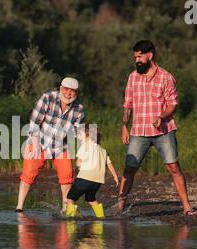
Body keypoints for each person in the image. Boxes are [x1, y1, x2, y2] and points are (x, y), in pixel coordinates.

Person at [108, 40, 197, 217]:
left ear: (150, 55)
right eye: (135, 57)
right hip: (138, 131)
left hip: (163, 131)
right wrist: (124, 126)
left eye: (140, 56)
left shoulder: (166, 77)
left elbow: (173, 104)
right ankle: (119, 206)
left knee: (173, 167)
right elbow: (128, 105)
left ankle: (187, 207)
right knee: (129, 169)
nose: (137, 60)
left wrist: (162, 117)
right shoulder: (133, 77)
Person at [15, 77, 85, 212]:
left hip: (61, 146)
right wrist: (34, 143)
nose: (68, 93)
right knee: (28, 174)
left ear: (76, 93)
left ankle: (66, 208)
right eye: (66, 89)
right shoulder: (47, 98)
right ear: (60, 88)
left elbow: (79, 132)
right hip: (39, 141)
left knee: (67, 175)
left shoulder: (79, 109)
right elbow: (35, 122)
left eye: (72, 91)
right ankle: (19, 206)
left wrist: (84, 152)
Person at [65, 124, 120, 218]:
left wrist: (79, 166)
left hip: (84, 178)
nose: (79, 138)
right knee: (91, 199)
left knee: (70, 198)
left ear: (88, 136)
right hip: (97, 182)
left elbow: (78, 163)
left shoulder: (85, 146)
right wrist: (115, 176)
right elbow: (109, 164)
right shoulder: (103, 150)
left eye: (80, 135)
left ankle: (70, 218)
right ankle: (101, 217)